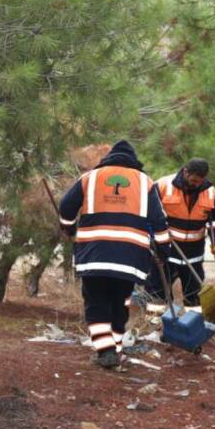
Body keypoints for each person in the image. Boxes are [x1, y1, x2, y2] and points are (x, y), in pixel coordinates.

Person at [58, 140, 172, 369]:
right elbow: (159, 221)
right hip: (130, 259)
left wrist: (69, 228)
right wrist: (163, 249)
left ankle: (105, 350)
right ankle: (115, 351)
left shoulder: (90, 178)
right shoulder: (144, 182)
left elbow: (66, 206)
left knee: (96, 301)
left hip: (94, 254)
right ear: (134, 161)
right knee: (121, 303)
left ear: (109, 158)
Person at [143, 158, 215, 310]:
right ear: (185, 172)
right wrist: (152, 242)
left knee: (194, 296)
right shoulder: (162, 185)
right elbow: (147, 216)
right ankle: (155, 328)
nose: (196, 184)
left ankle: (191, 328)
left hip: (193, 254)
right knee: (157, 293)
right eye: (194, 180)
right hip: (165, 252)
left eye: (200, 181)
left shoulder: (210, 192)